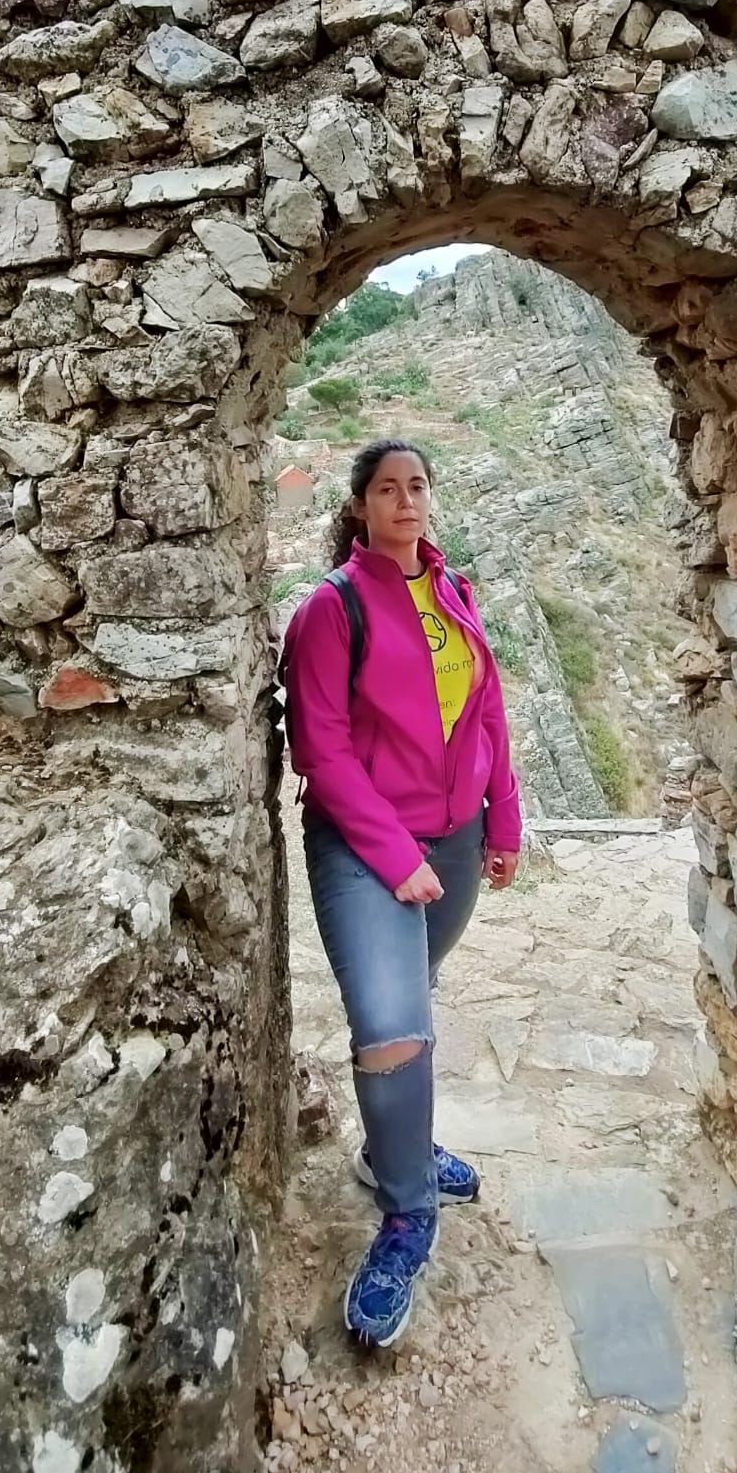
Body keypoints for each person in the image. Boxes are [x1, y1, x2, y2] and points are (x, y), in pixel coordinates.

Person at [283, 438, 524, 1347]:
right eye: (388, 489)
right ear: (360, 507)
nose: (406, 501)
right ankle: (405, 1216)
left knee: (411, 1006)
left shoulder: (451, 589)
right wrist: (394, 856)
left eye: (417, 485)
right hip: (365, 846)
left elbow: (488, 713)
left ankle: (397, 1146)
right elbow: (323, 753)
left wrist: (502, 823)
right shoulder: (330, 610)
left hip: (456, 840)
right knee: (391, 1026)